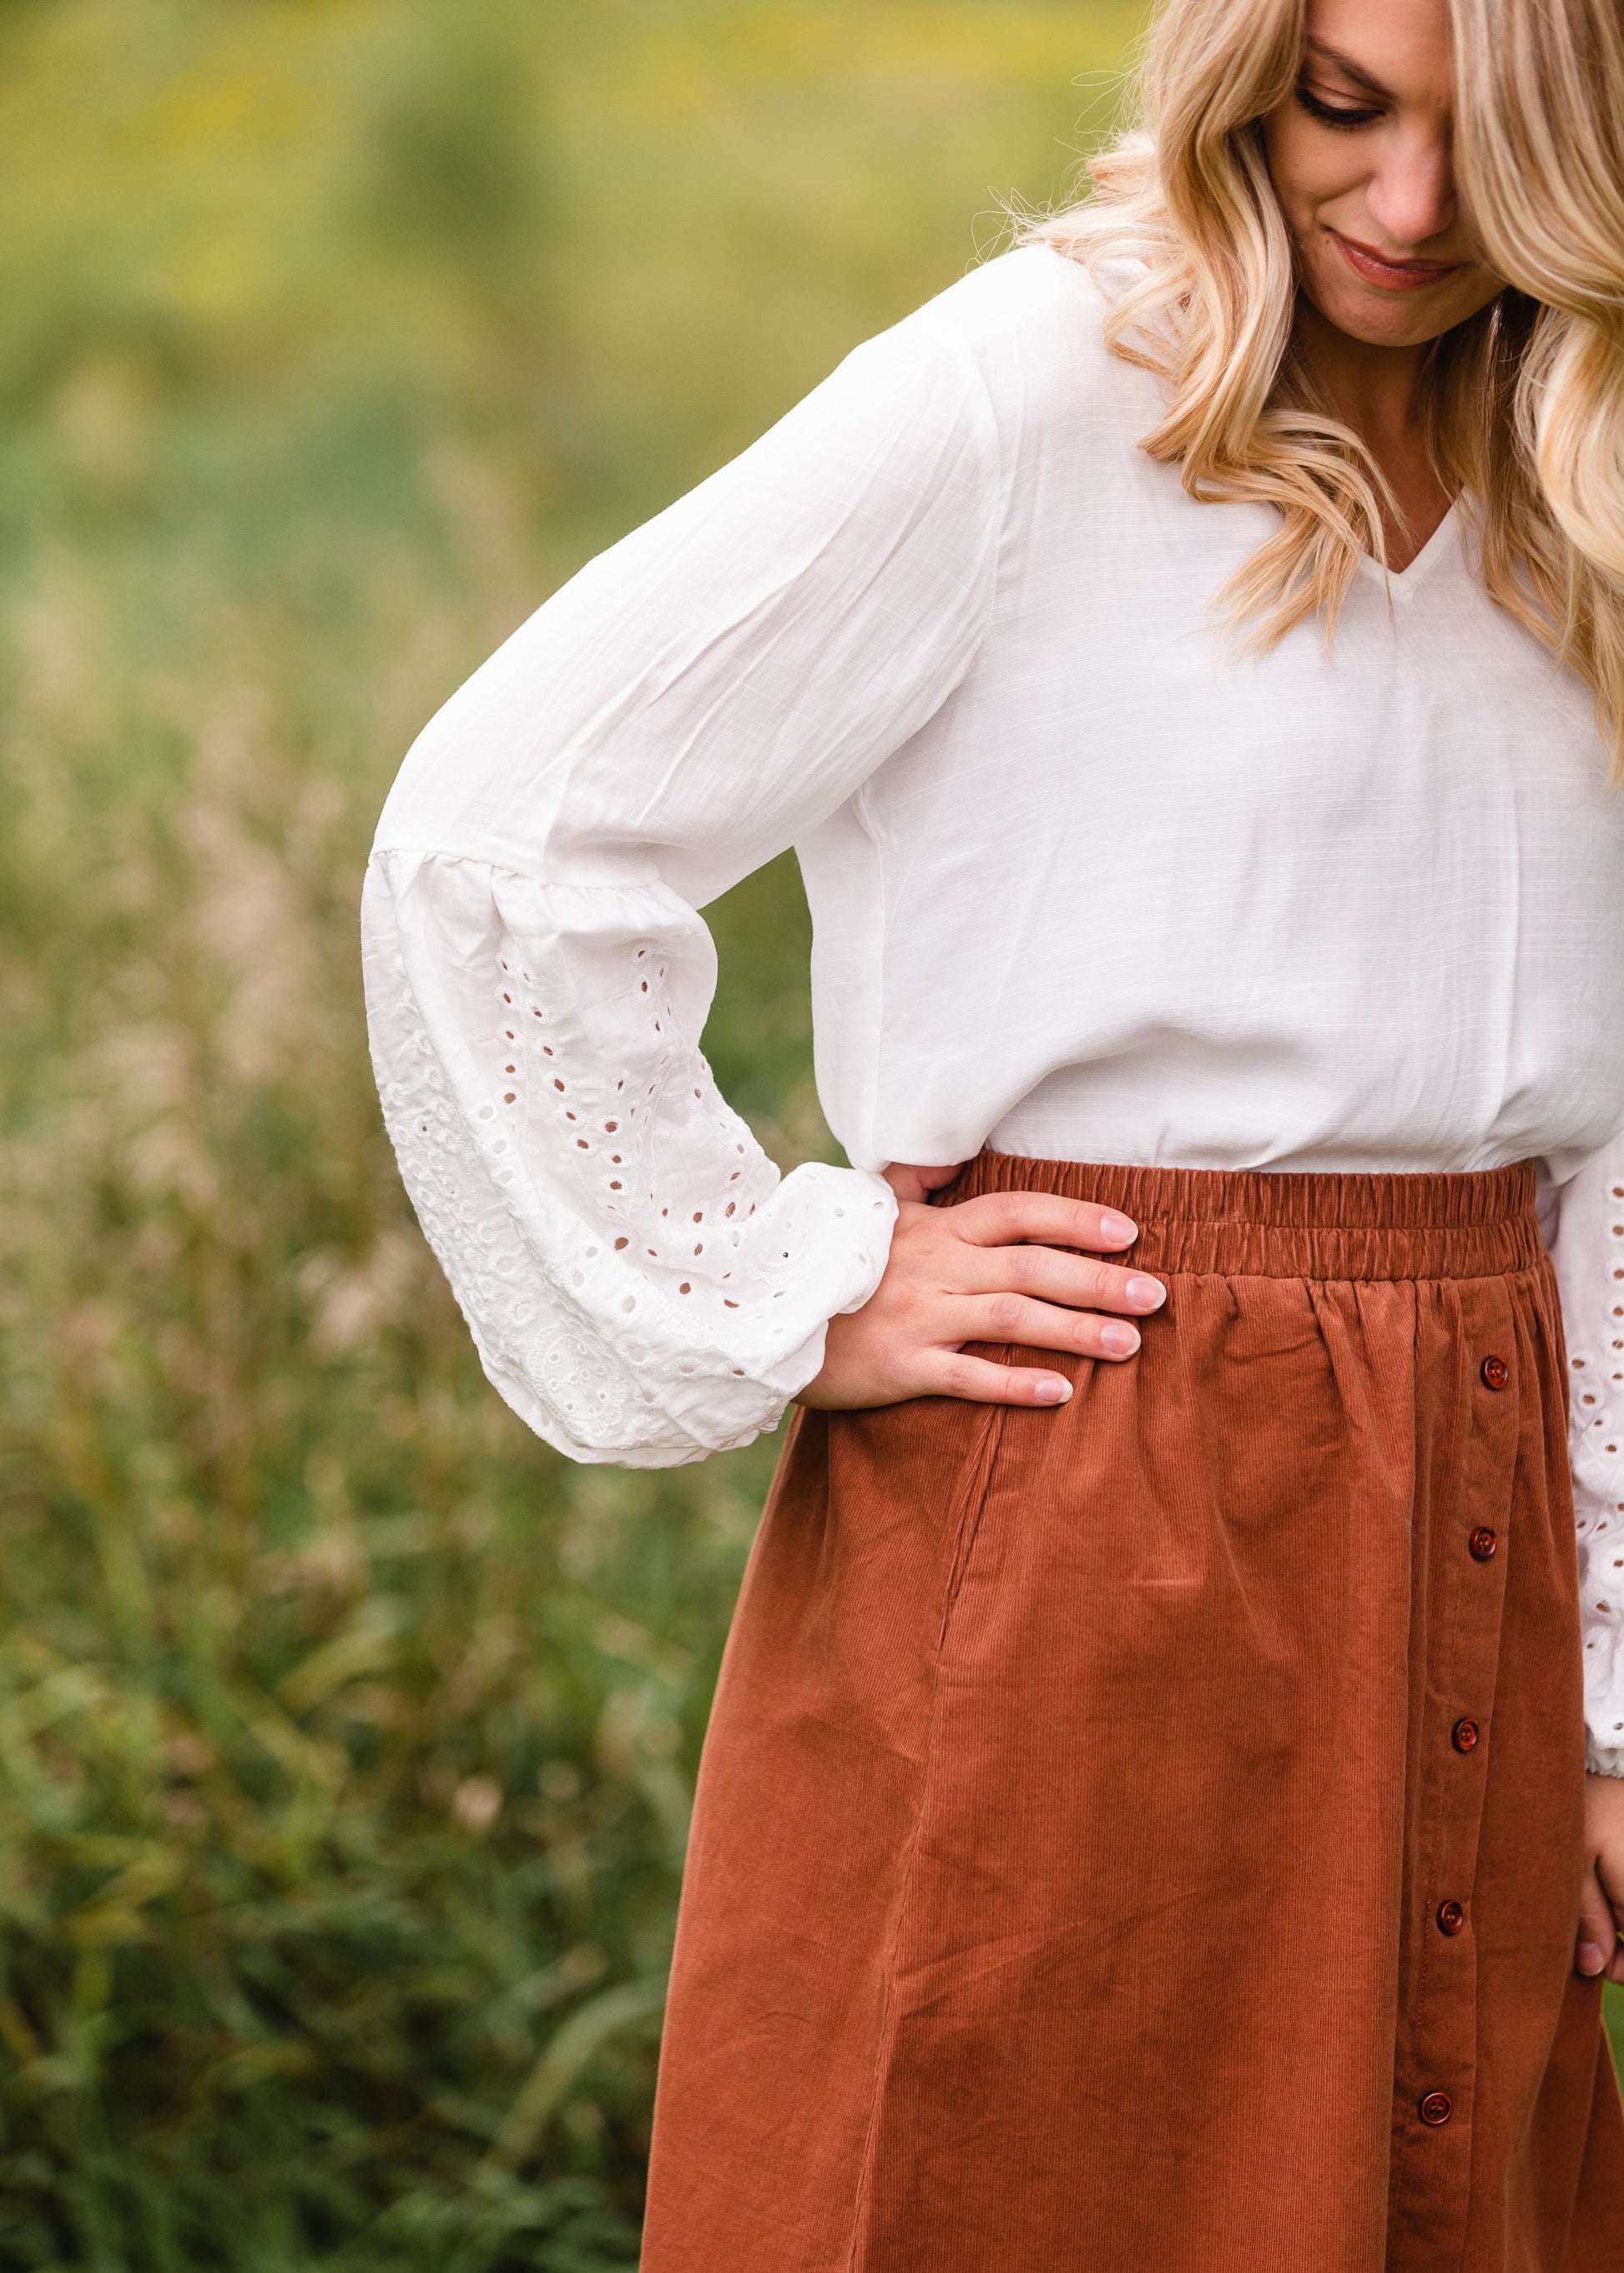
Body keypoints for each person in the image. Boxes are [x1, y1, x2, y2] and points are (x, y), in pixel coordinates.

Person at [361, 0, 1624, 2260]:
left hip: (1480, 1496)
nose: (1409, 207)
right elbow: (498, 836)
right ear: (1243, 69)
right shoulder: (1031, 392)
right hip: (1093, 1460)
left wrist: (1614, 1676)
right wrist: (770, 1283)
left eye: (1491, 133)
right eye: (1343, 105)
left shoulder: (1585, 447)